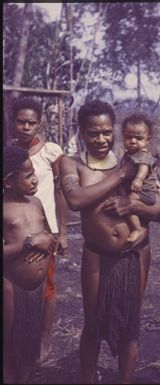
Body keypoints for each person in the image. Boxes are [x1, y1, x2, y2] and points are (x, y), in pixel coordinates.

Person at [59, 99, 160, 384]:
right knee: (92, 323)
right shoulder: (72, 163)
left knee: (131, 324)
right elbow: (75, 199)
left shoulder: (133, 159)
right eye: (93, 133)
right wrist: (119, 175)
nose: (101, 139)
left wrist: (133, 208)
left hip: (136, 253)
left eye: (107, 132)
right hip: (97, 254)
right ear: (82, 131)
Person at [11, 97, 69, 362]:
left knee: (46, 287)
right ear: (13, 123)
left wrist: (63, 232)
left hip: (46, 233)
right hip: (15, 232)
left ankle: (43, 340)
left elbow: (60, 192)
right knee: (16, 286)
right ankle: (17, 341)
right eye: (21, 122)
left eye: (31, 122)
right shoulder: (9, 155)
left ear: (40, 124)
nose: (25, 127)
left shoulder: (51, 152)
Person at [3, 145, 57, 384]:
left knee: (26, 346)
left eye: (34, 173)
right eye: (28, 176)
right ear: (7, 182)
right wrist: (29, 243)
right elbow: (32, 239)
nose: (35, 179)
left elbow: (45, 234)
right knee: (8, 346)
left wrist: (49, 241)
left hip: (34, 292)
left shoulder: (35, 202)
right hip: (11, 288)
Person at [120, 113, 158, 245]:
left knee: (127, 203)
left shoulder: (142, 154)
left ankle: (137, 229)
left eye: (139, 138)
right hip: (136, 189)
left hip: (144, 191)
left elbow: (143, 167)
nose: (133, 141)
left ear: (147, 140)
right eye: (129, 137)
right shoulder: (129, 154)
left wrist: (138, 179)